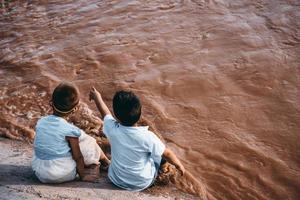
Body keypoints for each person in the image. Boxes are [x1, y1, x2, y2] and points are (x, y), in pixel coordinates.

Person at [89, 87, 185, 191]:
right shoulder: (147, 136)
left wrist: (97, 97)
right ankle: (162, 170)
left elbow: (105, 113)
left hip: (116, 179)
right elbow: (168, 154)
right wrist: (179, 165)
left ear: (116, 116)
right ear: (140, 113)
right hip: (142, 183)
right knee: (157, 154)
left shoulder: (111, 128)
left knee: (151, 150)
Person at [32, 82, 110, 183]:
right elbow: (77, 157)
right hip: (60, 174)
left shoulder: (41, 122)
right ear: (74, 110)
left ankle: (104, 162)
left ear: (51, 102)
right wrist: (83, 176)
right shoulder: (70, 130)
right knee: (90, 141)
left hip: (40, 172)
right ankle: (105, 162)